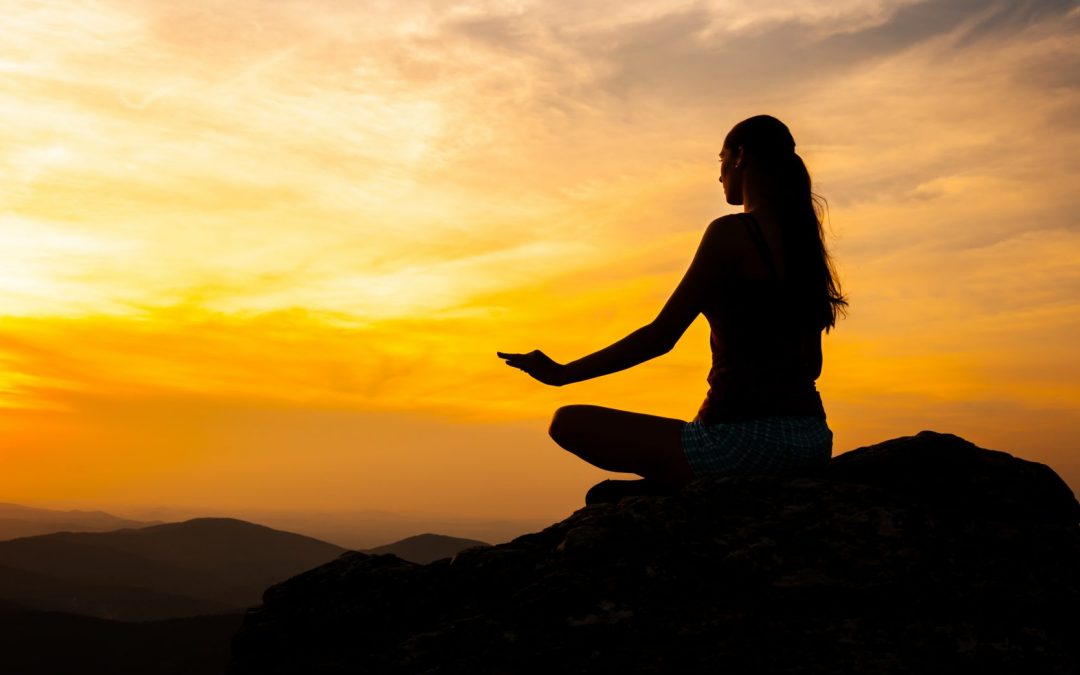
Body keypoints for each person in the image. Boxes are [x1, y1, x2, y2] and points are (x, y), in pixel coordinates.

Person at [497, 115, 847, 504]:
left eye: (721, 159)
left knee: (567, 421)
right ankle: (678, 482)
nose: (719, 176)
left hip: (745, 444)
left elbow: (660, 336)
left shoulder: (731, 233)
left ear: (741, 158)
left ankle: (684, 485)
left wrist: (563, 373)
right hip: (812, 440)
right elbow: (811, 365)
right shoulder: (804, 246)